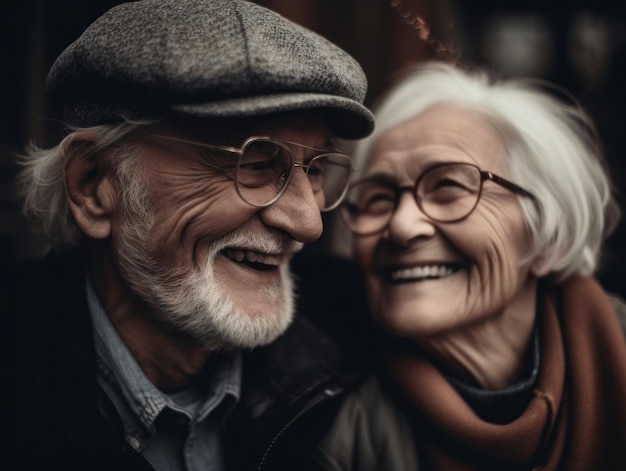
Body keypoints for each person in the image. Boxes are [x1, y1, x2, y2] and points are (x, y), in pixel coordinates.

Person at [1, 1, 374, 469]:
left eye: (316, 169)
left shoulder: (355, 327)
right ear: (94, 183)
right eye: (254, 163)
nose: (308, 223)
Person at [315, 61, 626, 470]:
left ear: (548, 235)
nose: (403, 226)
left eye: (448, 186)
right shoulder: (333, 427)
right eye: (377, 197)